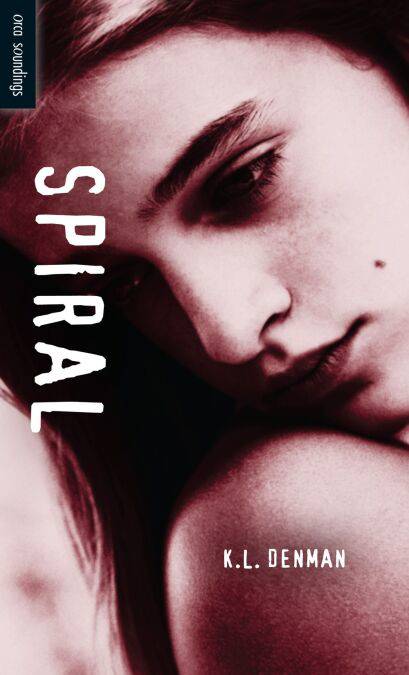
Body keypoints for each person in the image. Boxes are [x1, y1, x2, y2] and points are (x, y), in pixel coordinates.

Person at [0, 0, 408, 672]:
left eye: (241, 181)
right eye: (124, 283)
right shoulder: (291, 527)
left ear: (383, 38)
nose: (226, 336)